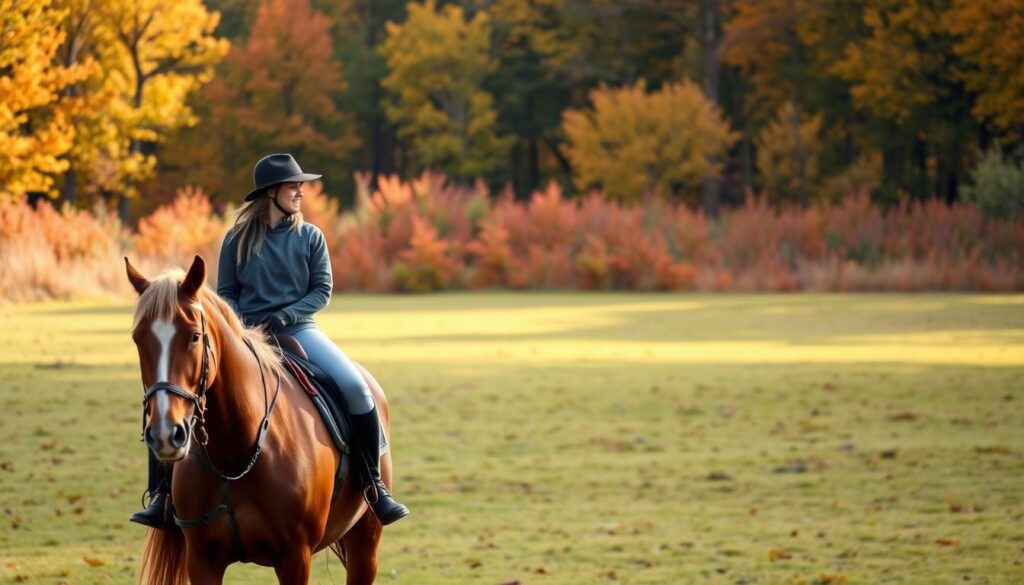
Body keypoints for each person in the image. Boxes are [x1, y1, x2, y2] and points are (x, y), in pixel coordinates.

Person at [131, 153, 409, 528]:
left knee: (357, 390)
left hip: (299, 330)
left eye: (301, 186)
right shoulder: (236, 240)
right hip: (244, 336)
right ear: (272, 192)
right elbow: (226, 293)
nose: (301, 192)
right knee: (173, 395)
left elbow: (321, 290)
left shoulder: (310, 237)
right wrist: (241, 327)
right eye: (294, 186)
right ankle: (162, 495)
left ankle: (374, 486)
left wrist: (285, 315)